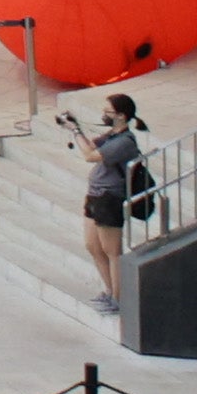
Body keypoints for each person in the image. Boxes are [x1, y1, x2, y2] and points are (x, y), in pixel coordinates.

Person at [79, 91, 148, 306]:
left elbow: (91, 156)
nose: (103, 115)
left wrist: (74, 131)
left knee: (112, 251)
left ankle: (119, 298)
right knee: (93, 246)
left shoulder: (125, 142)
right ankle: (109, 290)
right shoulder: (111, 136)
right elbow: (90, 146)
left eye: (107, 111)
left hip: (110, 197)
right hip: (95, 194)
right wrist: (75, 130)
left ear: (120, 115)